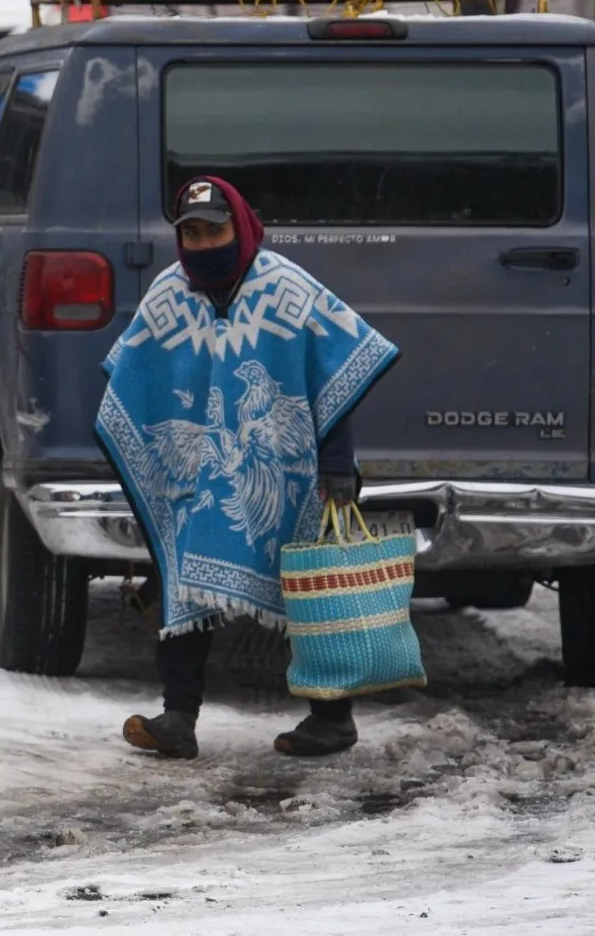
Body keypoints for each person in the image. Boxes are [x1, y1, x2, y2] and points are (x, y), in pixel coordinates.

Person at [97, 176, 398, 760]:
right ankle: (178, 717)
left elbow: (332, 376)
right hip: (199, 477)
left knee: (312, 588)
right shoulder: (169, 294)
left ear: (241, 225)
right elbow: (135, 379)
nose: (205, 243)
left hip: (291, 472)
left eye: (215, 229)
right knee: (180, 580)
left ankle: (332, 719)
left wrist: (337, 467)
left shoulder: (289, 287)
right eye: (192, 232)